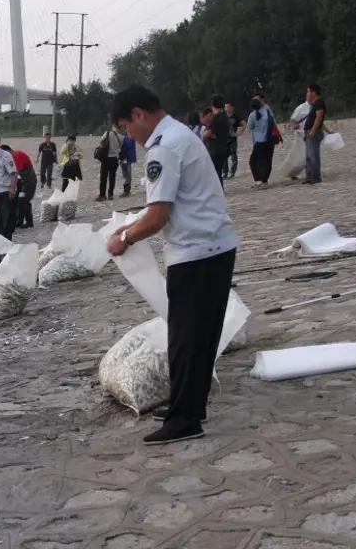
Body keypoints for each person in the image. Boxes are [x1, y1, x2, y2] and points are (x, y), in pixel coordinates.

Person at [106, 85, 238, 446]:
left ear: (138, 114)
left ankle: (185, 420)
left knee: (186, 338)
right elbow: (166, 205)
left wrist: (126, 239)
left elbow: (158, 217)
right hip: (215, 245)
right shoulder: (181, 134)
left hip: (196, 252)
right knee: (200, 336)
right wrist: (131, 225)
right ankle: (188, 405)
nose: (128, 135)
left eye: (125, 127)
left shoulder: (163, 146)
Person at [1, 144, 36, 229]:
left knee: (23, 200)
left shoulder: (17, 156)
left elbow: (16, 172)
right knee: (22, 201)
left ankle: (23, 221)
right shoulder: (13, 157)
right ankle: (27, 221)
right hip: (23, 182)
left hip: (29, 181)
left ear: (8, 151)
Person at [246, 98, 275, 189]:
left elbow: (249, 127)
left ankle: (258, 180)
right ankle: (264, 180)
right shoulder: (267, 112)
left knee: (253, 161)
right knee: (267, 161)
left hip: (258, 141)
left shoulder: (252, 115)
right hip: (268, 140)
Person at [203, 95, 230, 186]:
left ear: (213, 105)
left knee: (215, 174)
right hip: (223, 147)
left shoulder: (217, 117)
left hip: (216, 150)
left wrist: (205, 133)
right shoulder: (225, 115)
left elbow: (207, 133)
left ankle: (218, 193)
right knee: (218, 173)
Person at [303, 83, 326, 185]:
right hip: (309, 132)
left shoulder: (319, 103)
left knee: (313, 156)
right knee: (308, 156)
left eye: (308, 91)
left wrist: (312, 130)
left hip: (314, 133)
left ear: (314, 92)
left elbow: (319, 117)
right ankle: (309, 176)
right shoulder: (314, 103)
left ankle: (316, 177)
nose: (307, 94)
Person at [95, 124, 123, 202]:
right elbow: (120, 147)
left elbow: (101, 141)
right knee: (112, 177)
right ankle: (110, 194)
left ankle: (102, 195)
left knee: (103, 178)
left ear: (113, 127)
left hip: (106, 158)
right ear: (119, 128)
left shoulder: (107, 133)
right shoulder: (121, 137)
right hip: (115, 159)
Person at [223, 101, 245, 179]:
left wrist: (239, 133)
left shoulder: (236, 117)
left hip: (233, 139)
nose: (226, 109)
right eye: (225, 107)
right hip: (224, 140)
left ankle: (232, 172)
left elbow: (243, 124)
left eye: (228, 107)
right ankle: (224, 172)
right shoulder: (223, 116)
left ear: (232, 107)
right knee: (223, 156)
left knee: (233, 156)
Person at [120, 132, 137, 197]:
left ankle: (126, 190)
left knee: (127, 173)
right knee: (126, 173)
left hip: (126, 158)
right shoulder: (129, 136)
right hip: (126, 158)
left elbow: (128, 145)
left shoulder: (128, 137)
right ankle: (127, 190)